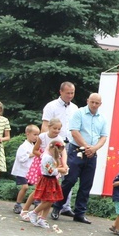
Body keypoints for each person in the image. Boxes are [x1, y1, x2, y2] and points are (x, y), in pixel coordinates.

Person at [51, 94, 108, 224]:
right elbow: (74, 132)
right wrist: (86, 146)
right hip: (77, 150)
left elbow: (103, 137)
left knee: (86, 184)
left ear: (100, 104)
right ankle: (57, 207)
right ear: (87, 101)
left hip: (92, 153)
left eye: (96, 103)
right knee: (69, 180)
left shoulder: (102, 119)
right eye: (92, 102)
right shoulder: (79, 113)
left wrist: (94, 149)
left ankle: (80, 213)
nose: (94, 105)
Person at [42, 82, 79, 218]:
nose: (70, 95)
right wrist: (50, 144)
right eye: (68, 93)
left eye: (72, 93)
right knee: (51, 173)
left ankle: (65, 205)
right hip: (55, 144)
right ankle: (41, 200)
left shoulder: (75, 108)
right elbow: (45, 126)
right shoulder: (51, 106)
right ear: (61, 92)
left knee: (67, 173)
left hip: (70, 144)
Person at [20, 119, 63, 220]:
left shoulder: (60, 139)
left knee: (49, 192)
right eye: (54, 128)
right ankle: (25, 210)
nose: (57, 131)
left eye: (59, 129)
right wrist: (44, 156)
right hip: (41, 164)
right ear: (49, 127)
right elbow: (35, 150)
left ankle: (41, 216)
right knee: (38, 189)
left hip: (53, 164)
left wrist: (63, 164)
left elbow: (62, 153)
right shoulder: (42, 136)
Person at [28, 138, 68, 229]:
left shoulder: (53, 158)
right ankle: (34, 212)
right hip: (47, 180)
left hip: (52, 180)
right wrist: (59, 170)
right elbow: (49, 171)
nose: (60, 153)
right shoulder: (47, 157)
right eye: (59, 151)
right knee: (48, 200)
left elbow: (53, 169)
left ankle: (42, 218)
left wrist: (61, 169)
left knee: (49, 201)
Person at [11, 125, 39, 214]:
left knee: (37, 187)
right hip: (22, 171)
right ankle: (18, 204)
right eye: (34, 134)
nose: (36, 137)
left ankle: (36, 203)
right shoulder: (23, 146)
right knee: (25, 187)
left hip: (30, 171)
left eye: (38, 135)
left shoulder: (33, 146)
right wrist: (30, 155)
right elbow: (20, 158)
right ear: (28, 134)